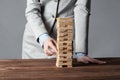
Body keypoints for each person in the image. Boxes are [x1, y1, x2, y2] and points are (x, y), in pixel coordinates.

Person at [22, 0, 106, 64]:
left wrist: (80, 52)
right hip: (35, 41)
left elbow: (81, 9)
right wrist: (43, 37)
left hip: (63, 41)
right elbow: (32, 10)